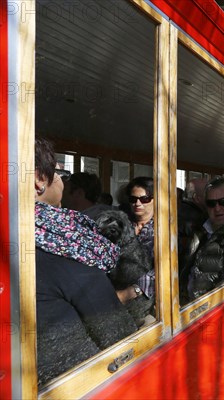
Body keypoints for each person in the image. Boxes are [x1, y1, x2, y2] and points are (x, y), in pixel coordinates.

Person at [34, 138, 136, 385]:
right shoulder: (64, 245)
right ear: (39, 179)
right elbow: (119, 335)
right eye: (60, 173)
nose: (63, 181)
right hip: (79, 382)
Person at [117, 177, 155, 305]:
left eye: (145, 199)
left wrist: (132, 292)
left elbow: (163, 269)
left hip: (149, 301)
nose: (138, 204)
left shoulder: (164, 230)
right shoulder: (121, 225)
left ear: (156, 200)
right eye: (133, 199)